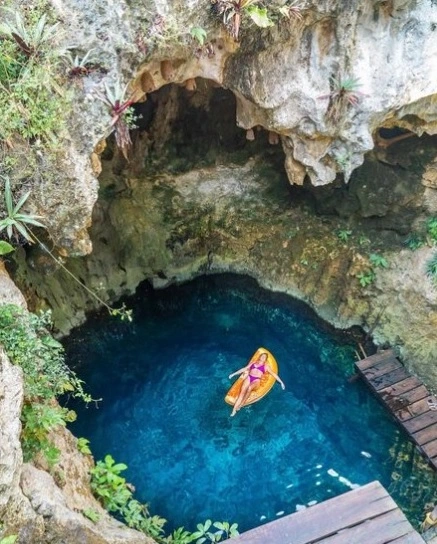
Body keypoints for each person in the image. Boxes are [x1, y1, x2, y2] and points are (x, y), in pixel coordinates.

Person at [228, 352, 285, 417]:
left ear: (265, 359)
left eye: (264, 357)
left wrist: (281, 382)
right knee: (242, 393)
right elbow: (244, 369)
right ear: (260, 357)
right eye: (262, 356)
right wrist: (233, 374)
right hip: (249, 377)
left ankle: (242, 403)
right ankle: (234, 410)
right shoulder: (253, 363)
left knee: (249, 388)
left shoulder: (266, 366)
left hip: (256, 380)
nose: (263, 357)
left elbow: (273, 374)